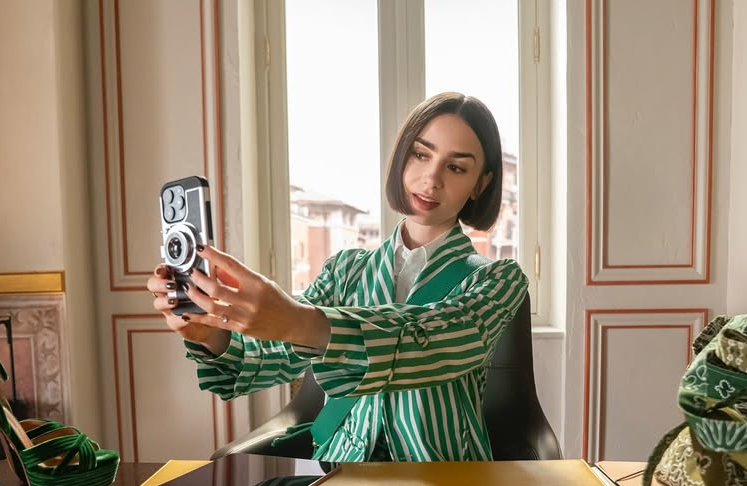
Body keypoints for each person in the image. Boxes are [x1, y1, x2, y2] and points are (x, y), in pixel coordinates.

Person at [147, 91, 529, 462]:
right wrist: (210, 334)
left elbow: (431, 343)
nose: (431, 179)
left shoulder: (498, 280)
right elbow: (274, 357)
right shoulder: (345, 270)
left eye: (456, 167)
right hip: (342, 469)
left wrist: (299, 321)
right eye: (420, 154)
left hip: (445, 476)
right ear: (402, 157)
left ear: (481, 184)